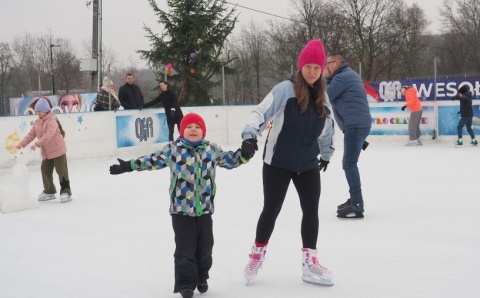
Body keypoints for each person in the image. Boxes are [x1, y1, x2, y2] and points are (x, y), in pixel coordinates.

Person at [109, 113, 255, 298]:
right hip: (181, 211)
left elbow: (231, 160)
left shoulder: (212, 150)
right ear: (181, 131)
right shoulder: (173, 150)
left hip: (204, 210)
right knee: (185, 249)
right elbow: (151, 160)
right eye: (189, 126)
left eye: (197, 127)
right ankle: (186, 283)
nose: (193, 129)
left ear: (203, 131)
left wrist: (244, 154)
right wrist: (129, 165)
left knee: (205, 248)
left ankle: (202, 277)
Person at [240, 39, 335, 286]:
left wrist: (326, 154)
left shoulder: (323, 99)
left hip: (307, 163)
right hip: (278, 162)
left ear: (322, 69)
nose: (312, 71)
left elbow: (327, 130)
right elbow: (260, 113)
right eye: (308, 66)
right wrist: (250, 136)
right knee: (271, 210)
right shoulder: (285, 89)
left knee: (311, 211)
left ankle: (309, 263)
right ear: (300, 67)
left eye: (317, 67)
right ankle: (256, 255)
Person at [323, 53, 372, 219]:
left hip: (355, 125)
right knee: (350, 163)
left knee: (349, 164)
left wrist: (323, 79)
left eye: (327, 64)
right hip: (358, 124)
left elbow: (326, 96)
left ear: (337, 62)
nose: (325, 67)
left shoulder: (343, 77)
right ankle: (355, 199)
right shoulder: (346, 75)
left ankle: (357, 203)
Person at [15, 97, 72, 203]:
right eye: (37, 111)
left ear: (46, 110)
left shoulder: (52, 121)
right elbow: (31, 134)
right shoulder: (38, 122)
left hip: (58, 150)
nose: (38, 113)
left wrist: (37, 144)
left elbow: (48, 135)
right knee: (45, 170)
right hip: (47, 152)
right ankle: (49, 191)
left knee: (62, 171)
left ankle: (66, 192)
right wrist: (22, 144)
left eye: (40, 111)